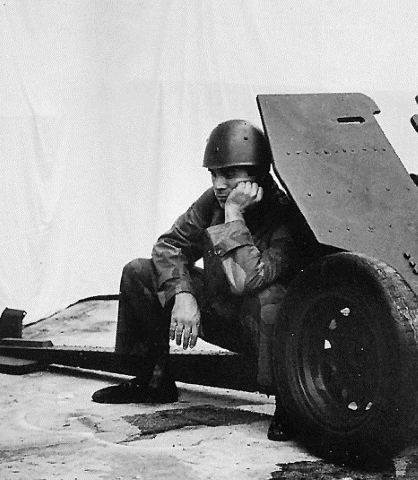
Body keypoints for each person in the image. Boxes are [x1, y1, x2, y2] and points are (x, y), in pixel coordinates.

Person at [91, 119, 311, 441]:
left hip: (259, 329)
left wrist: (234, 215)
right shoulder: (213, 201)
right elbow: (169, 246)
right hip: (220, 311)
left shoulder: (285, 214)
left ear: (258, 175)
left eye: (230, 174)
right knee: (139, 272)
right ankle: (152, 380)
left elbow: (249, 280)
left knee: (273, 300)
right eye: (214, 174)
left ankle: (289, 404)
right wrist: (183, 294)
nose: (219, 185)